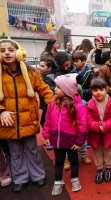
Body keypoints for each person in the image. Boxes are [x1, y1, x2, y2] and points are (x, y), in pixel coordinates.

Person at [0, 39, 53, 192]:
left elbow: (44, 90)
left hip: (28, 119)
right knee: (15, 151)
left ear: (19, 52)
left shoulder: (30, 73)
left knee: (31, 148)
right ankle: (20, 178)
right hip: (8, 121)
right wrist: (1, 111)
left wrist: (56, 105)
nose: (7, 53)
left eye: (10, 49)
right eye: (2, 51)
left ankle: (38, 175)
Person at [42, 73, 86, 195]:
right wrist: (46, 135)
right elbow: (48, 120)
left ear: (67, 90)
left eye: (58, 87)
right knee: (59, 160)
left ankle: (75, 178)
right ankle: (58, 181)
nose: (54, 89)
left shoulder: (78, 106)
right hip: (57, 140)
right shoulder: (52, 103)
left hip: (72, 141)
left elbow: (82, 125)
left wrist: (79, 142)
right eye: (55, 86)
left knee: (73, 160)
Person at [86, 78, 111, 184]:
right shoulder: (90, 104)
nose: (98, 92)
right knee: (97, 151)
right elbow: (88, 120)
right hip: (95, 134)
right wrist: (97, 126)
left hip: (108, 133)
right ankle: (99, 169)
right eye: (95, 90)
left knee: (108, 151)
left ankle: (108, 168)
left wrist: (104, 126)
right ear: (91, 91)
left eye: (101, 89)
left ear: (106, 90)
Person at [39, 58, 56, 150]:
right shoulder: (48, 77)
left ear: (49, 68)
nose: (40, 68)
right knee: (46, 122)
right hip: (47, 105)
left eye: (42, 66)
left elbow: (50, 92)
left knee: (46, 123)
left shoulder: (47, 79)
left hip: (48, 105)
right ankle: (51, 140)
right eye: (40, 65)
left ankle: (52, 141)